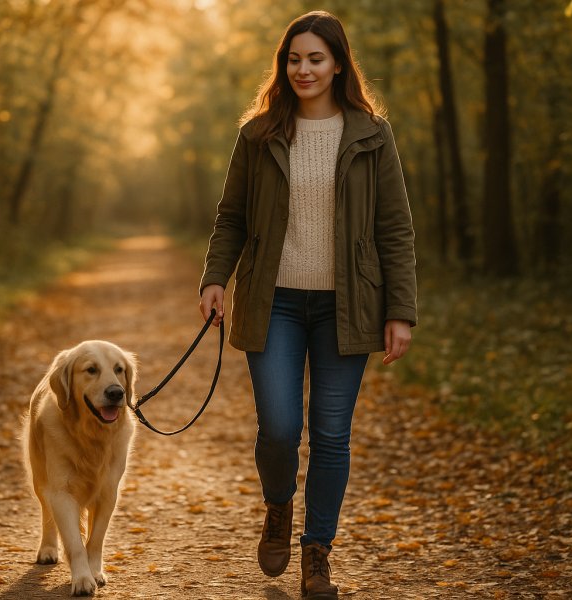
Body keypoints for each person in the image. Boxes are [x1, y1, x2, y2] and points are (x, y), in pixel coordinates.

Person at [198, 10, 417, 600]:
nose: (304, 69)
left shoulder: (371, 133)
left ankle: (316, 554)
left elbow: (395, 226)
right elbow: (232, 217)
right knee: (278, 427)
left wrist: (401, 309)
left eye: (316, 58)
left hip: (350, 305)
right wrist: (214, 278)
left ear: (339, 63)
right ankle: (277, 508)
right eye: (294, 59)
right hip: (276, 303)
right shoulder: (259, 132)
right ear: (283, 64)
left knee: (330, 434)